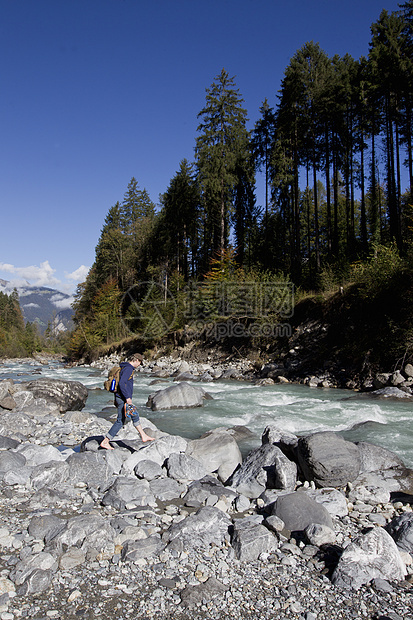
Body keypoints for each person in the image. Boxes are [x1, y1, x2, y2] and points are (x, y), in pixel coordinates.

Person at [100, 353, 154, 449]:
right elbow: (121, 383)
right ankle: (105, 441)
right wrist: (127, 397)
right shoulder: (129, 368)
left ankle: (143, 435)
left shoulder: (124, 366)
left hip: (120, 397)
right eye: (140, 363)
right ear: (136, 360)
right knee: (121, 421)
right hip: (123, 398)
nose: (139, 365)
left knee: (133, 415)